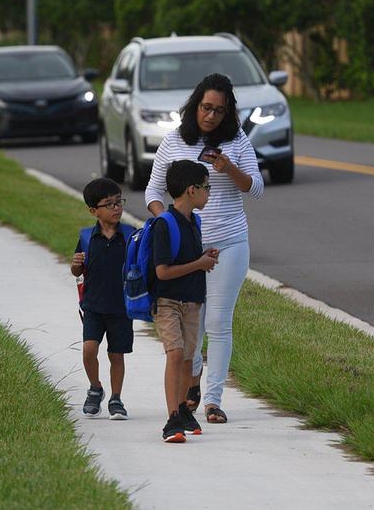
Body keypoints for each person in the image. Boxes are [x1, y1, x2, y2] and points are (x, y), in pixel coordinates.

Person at [146, 73, 263, 425]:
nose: (211, 116)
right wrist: (167, 223)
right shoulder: (173, 142)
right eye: (206, 108)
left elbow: (255, 188)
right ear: (195, 105)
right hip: (188, 251)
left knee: (218, 322)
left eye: (219, 111)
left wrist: (229, 168)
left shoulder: (237, 141)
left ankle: (213, 400)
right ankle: (192, 381)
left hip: (229, 242)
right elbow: (152, 193)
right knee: (190, 330)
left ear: (228, 114)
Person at [152, 159, 218, 443]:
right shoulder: (163, 225)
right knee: (176, 354)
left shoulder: (195, 221)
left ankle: (182, 409)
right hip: (167, 300)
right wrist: (199, 264)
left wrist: (204, 258)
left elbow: (190, 260)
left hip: (192, 300)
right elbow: (162, 271)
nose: (209, 192)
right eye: (207, 187)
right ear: (192, 190)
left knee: (189, 357)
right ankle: (171, 420)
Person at [70, 178, 134, 421]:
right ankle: (95, 387)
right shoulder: (87, 237)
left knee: (116, 354)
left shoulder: (129, 235)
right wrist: (75, 266)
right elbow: (79, 271)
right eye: (109, 204)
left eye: (119, 202)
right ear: (93, 211)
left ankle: (116, 398)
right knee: (89, 350)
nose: (116, 208)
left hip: (121, 307)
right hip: (93, 306)